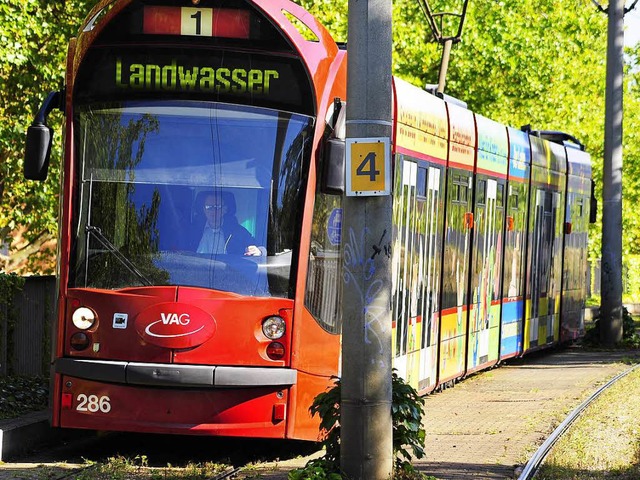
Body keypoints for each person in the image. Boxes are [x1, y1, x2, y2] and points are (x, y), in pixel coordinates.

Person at [196, 191, 264, 256]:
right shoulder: (192, 231)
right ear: (203, 210)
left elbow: (260, 248)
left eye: (218, 207)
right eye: (209, 207)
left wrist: (259, 251)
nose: (214, 211)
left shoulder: (237, 232)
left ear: (225, 210)